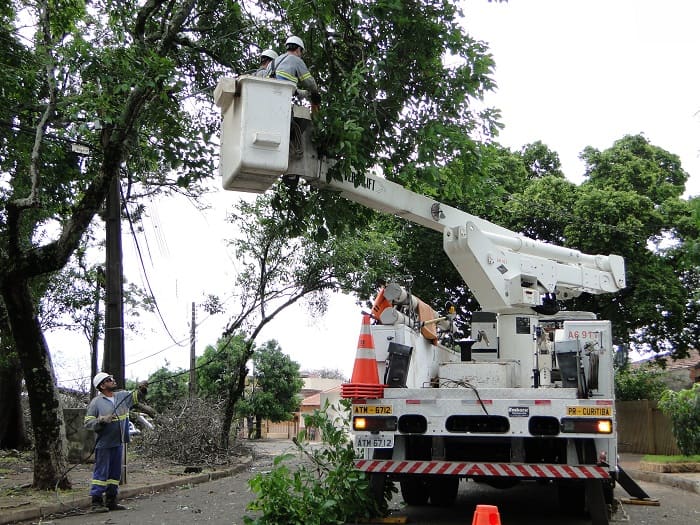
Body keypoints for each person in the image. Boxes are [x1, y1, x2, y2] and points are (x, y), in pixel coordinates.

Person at [84, 373, 152, 512]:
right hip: (104, 443)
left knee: (115, 474)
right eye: (109, 380)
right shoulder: (96, 402)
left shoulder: (121, 396)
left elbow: (137, 395)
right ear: (102, 386)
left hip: (119, 441)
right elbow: (88, 423)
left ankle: (111, 501)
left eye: (112, 378)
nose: (113, 380)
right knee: (101, 473)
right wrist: (101, 420)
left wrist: (143, 388)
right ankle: (96, 502)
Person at [269, 35, 321, 110]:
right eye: (301, 52)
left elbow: (280, 82)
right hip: (281, 96)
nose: (301, 55)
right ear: (298, 49)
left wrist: (302, 93)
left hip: (269, 96)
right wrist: (315, 94)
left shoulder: (273, 62)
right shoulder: (296, 60)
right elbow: (309, 82)